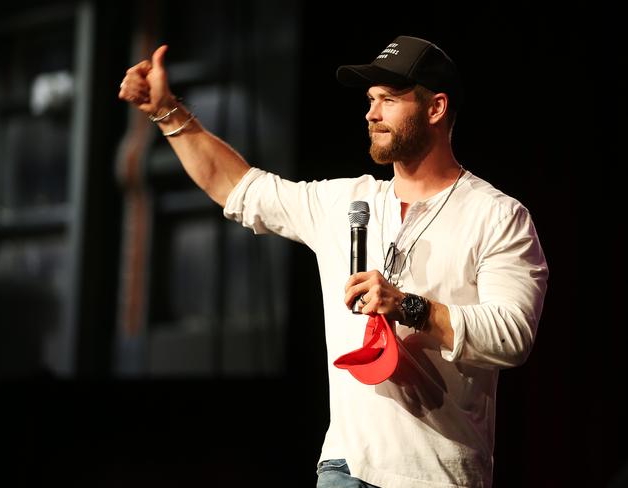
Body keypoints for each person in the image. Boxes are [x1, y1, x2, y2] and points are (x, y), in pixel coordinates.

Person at [119, 35, 548, 488]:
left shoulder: (498, 216)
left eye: (389, 100)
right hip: (344, 468)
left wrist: (408, 306)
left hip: (434, 475)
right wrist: (167, 113)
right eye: (370, 100)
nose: (372, 114)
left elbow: (512, 335)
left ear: (436, 108)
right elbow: (239, 188)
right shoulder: (345, 201)